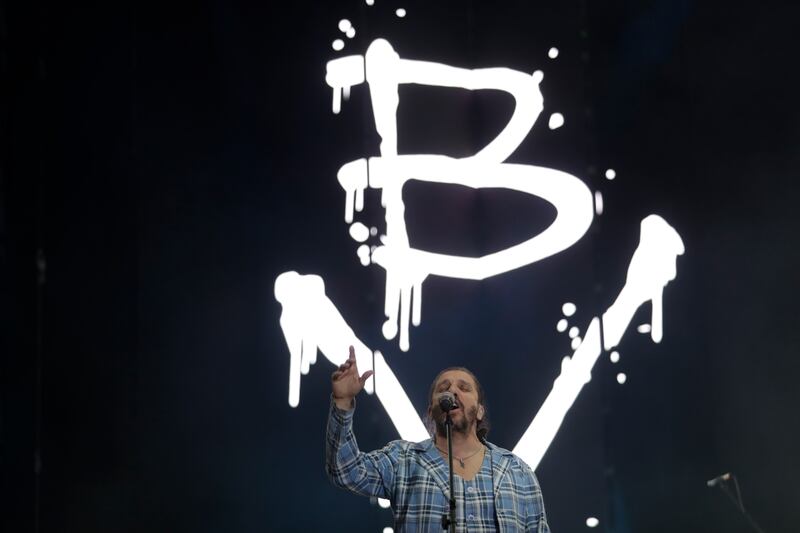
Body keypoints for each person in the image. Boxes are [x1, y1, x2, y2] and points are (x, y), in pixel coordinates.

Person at [326, 346, 550, 532]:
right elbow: (345, 470)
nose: (452, 391)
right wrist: (343, 401)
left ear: (480, 411)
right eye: (444, 388)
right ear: (431, 410)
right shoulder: (403, 460)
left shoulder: (517, 471)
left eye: (464, 388)